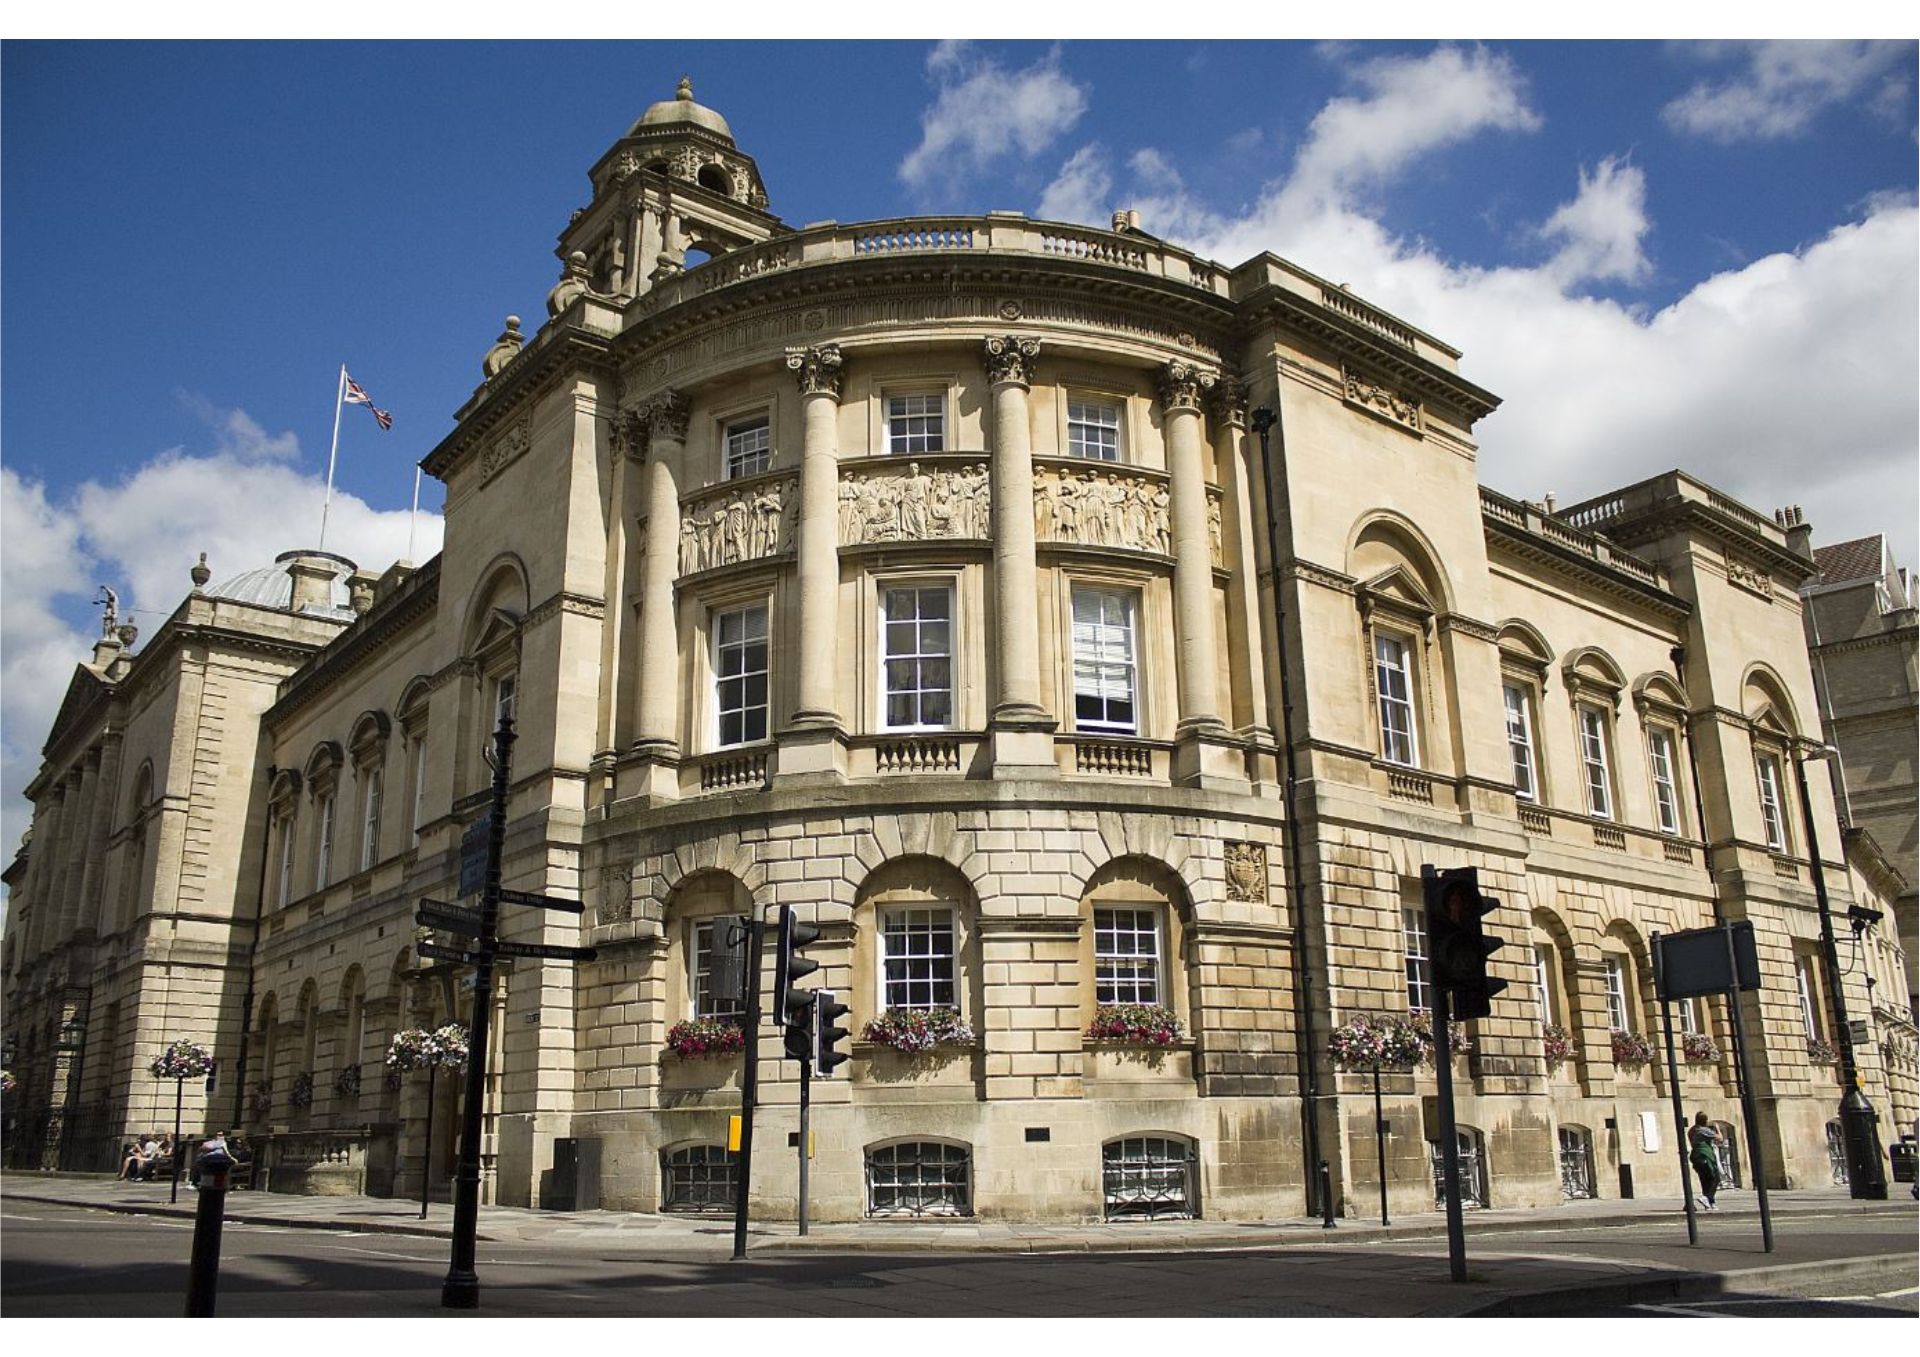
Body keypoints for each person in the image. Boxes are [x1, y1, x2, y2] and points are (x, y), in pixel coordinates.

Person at [1688, 1111, 1723, 1210]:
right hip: (1705, 1156)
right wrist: (1717, 1128)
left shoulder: (1692, 1130)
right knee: (1715, 1178)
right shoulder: (1704, 1130)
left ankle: (1710, 1203)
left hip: (1695, 1156)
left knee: (1705, 1180)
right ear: (1704, 1121)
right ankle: (1706, 1197)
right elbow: (1720, 1139)